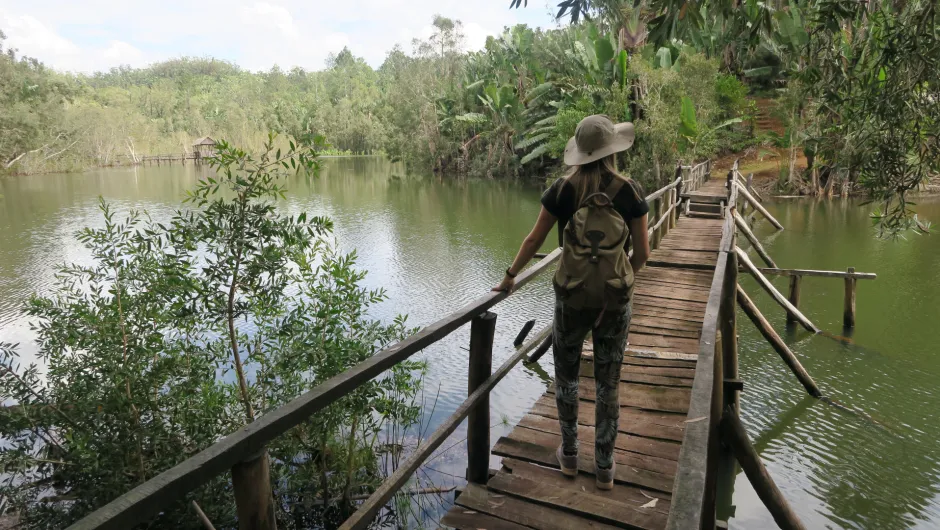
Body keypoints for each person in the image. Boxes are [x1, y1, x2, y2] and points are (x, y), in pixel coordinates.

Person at [493, 115, 650, 490]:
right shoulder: (630, 191)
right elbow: (642, 251)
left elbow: (533, 241)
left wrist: (510, 276)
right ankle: (605, 467)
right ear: (613, 149)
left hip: (571, 298)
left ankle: (569, 455)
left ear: (578, 151)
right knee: (608, 381)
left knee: (566, 377)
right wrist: (619, 281)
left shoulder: (562, 189)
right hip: (614, 302)